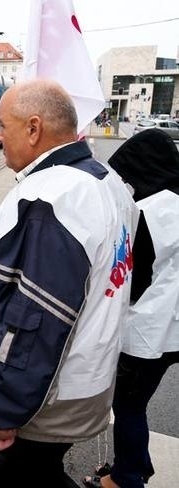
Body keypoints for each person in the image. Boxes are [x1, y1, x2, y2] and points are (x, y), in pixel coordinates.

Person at [0, 79, 138, 488]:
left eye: (3, 125)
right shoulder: (106, 181)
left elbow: (33, 320)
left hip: (36, 404)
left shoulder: (51, 199)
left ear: (33, 128)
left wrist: (0, 412)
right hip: (78, 387)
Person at [80, 129, 179, 488]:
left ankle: (127, 477)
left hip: (148, 332)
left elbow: (132, 282)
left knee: (129, 406)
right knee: (136, 403)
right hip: (173, 330)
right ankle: (136, 465)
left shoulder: (151, 210)